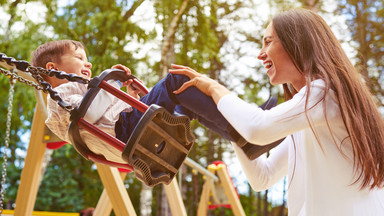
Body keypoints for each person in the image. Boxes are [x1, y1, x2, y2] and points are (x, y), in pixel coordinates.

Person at [169, 8, 384, 216]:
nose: (260, 54)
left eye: (268, 42)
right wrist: (232, 125)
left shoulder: (324, 93)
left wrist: (214, 88)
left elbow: (257, 128)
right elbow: (263, 176)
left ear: (296, 43)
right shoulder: (310, 119)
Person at [31, 39, 279, 164]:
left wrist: (131, 95)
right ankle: (247, 125)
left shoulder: (82, 90)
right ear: (53, 69)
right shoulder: (61, 95)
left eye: (87, 59)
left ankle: (243, 136)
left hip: (128, 130)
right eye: (79, 57)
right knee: (176, 81)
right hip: (126, 131)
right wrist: (111, 83)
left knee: (187, 100)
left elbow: (104, 112)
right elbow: (88, 115)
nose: (88, 64)